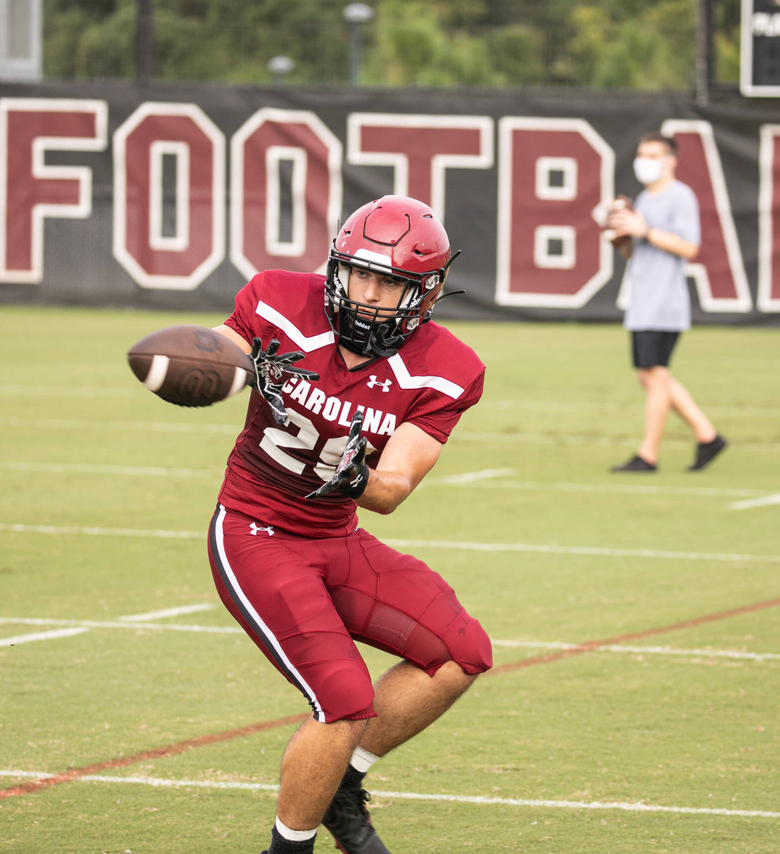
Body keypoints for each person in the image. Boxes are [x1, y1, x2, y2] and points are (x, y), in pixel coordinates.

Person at [206, 195, 492, 854]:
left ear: (428, 292)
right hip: (255, 529)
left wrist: (360, 476)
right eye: (359, 274)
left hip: (336, 536)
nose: (368, 294)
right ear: (336, 268)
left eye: (390, 283)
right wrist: (201, 367)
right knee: (344, 697)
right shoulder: (278, 299)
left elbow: (393, 488)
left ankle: (342, 783)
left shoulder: (448, 367)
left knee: (460, 653)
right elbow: (219, 351)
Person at [606, 131, 726, 473]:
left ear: (670, 160)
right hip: (643, 300)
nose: (644, 160)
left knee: (655, 376)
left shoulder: (679, 196)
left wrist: (644, 230)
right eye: (641, 153)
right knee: (650, 376)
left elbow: (689, 247)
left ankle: (649, 455)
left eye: (653, 154)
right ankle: (707, 435)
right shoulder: (644, 198)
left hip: (663, 302)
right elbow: (639, 253)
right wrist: (618, 234)